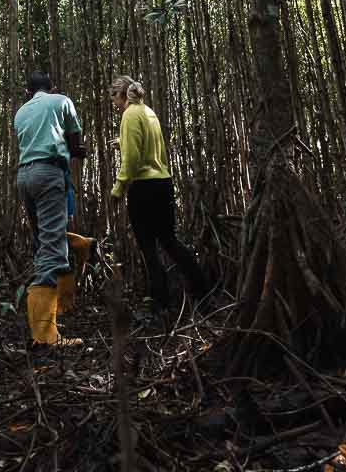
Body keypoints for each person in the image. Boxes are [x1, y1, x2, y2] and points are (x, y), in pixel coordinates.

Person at [109, 75, 209, 315]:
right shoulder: (147, 112)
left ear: (120, 95)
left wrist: (118, 188)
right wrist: (123, 142)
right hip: (162, 183)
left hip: (143, 188)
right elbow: (149, 148)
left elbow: (133, 160)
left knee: (148, 247)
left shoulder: (129, 115)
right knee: (169, 241)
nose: (112, 103)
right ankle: (203, 288)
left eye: (112, 97)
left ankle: (160, 303)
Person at [15, 72, 90, 345]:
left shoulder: (21, 112)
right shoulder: (62, 101)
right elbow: (75, 140)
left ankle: (56, 309)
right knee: (51, 247)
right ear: (52, 87)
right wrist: (79, 151)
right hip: (48, 174)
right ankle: (46, 336)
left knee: (42, 242)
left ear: (28, 90)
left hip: (24, 176)